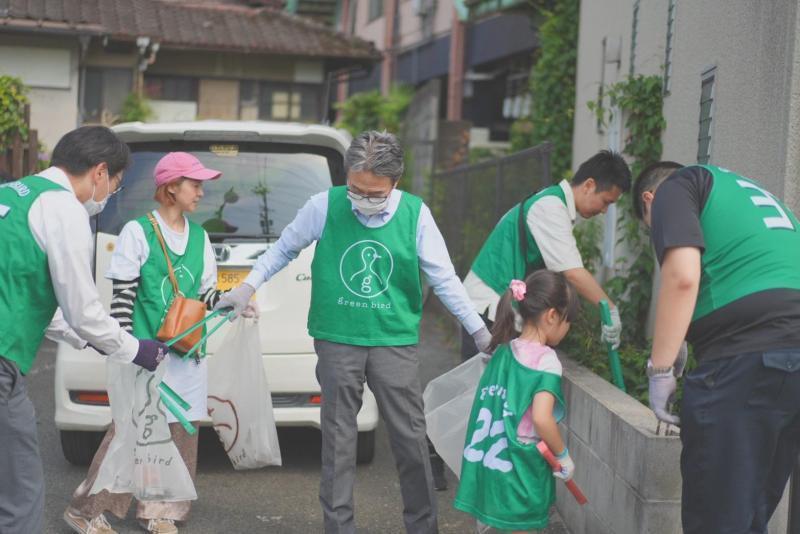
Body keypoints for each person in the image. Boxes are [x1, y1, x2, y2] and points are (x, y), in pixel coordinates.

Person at [215, 131, 491, 534]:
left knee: (411, 439)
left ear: (395, 183)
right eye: (355, 189)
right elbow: (282, 249)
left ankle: (422, 526)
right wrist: (246, 287)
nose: (362, 198)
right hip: (337, 339)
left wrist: (480, 331)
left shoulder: (415, 214)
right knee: (338, 444)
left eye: (374, 193)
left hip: (393, 341)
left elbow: (445, 278)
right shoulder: (324, 206)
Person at [63, 152, 257, 534]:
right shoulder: (138, 232)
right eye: (194, 183)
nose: (201, 191)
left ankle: (162, 513)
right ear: (171, 187)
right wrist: (127, 351)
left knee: (181, 433)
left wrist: (237, 303)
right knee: (131, 433)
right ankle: (86, 510)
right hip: (145, 354)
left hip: (187, 355)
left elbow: (206, 298)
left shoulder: (200, 237)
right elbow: (122, 300)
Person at [0, 126, 169, 534]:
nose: (110, 194)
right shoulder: (64, 210)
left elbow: (25, 288)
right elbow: (83, 309)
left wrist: (88, 341)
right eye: (115, 184)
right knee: (20, 488)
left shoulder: (13, 193)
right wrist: (133, 349)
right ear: (99, 171)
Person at [633, 162, 800, 534]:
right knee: (752, 513)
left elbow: (683, 277)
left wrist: (660, 370)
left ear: (649, 200)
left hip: (747, 358)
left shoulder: (677, 186)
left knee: (718, 520)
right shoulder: (751, 195)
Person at [461, 150, 632, 360]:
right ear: (589, 185)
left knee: (491, 390)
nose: (605, 210)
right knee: (485, 391)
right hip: (489, 309)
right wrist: (610, 310)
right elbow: (573, 273)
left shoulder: (549, 200)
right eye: (606, 201)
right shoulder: (550, 208)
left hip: (492, 309)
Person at [455, 270, 578, 533]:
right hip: (519, 472)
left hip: (488, 466)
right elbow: (542, 419)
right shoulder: (546, 361)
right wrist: (563, 456)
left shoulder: (502, 350)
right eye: (568, 322)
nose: (567, 329)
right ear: (553, 316)